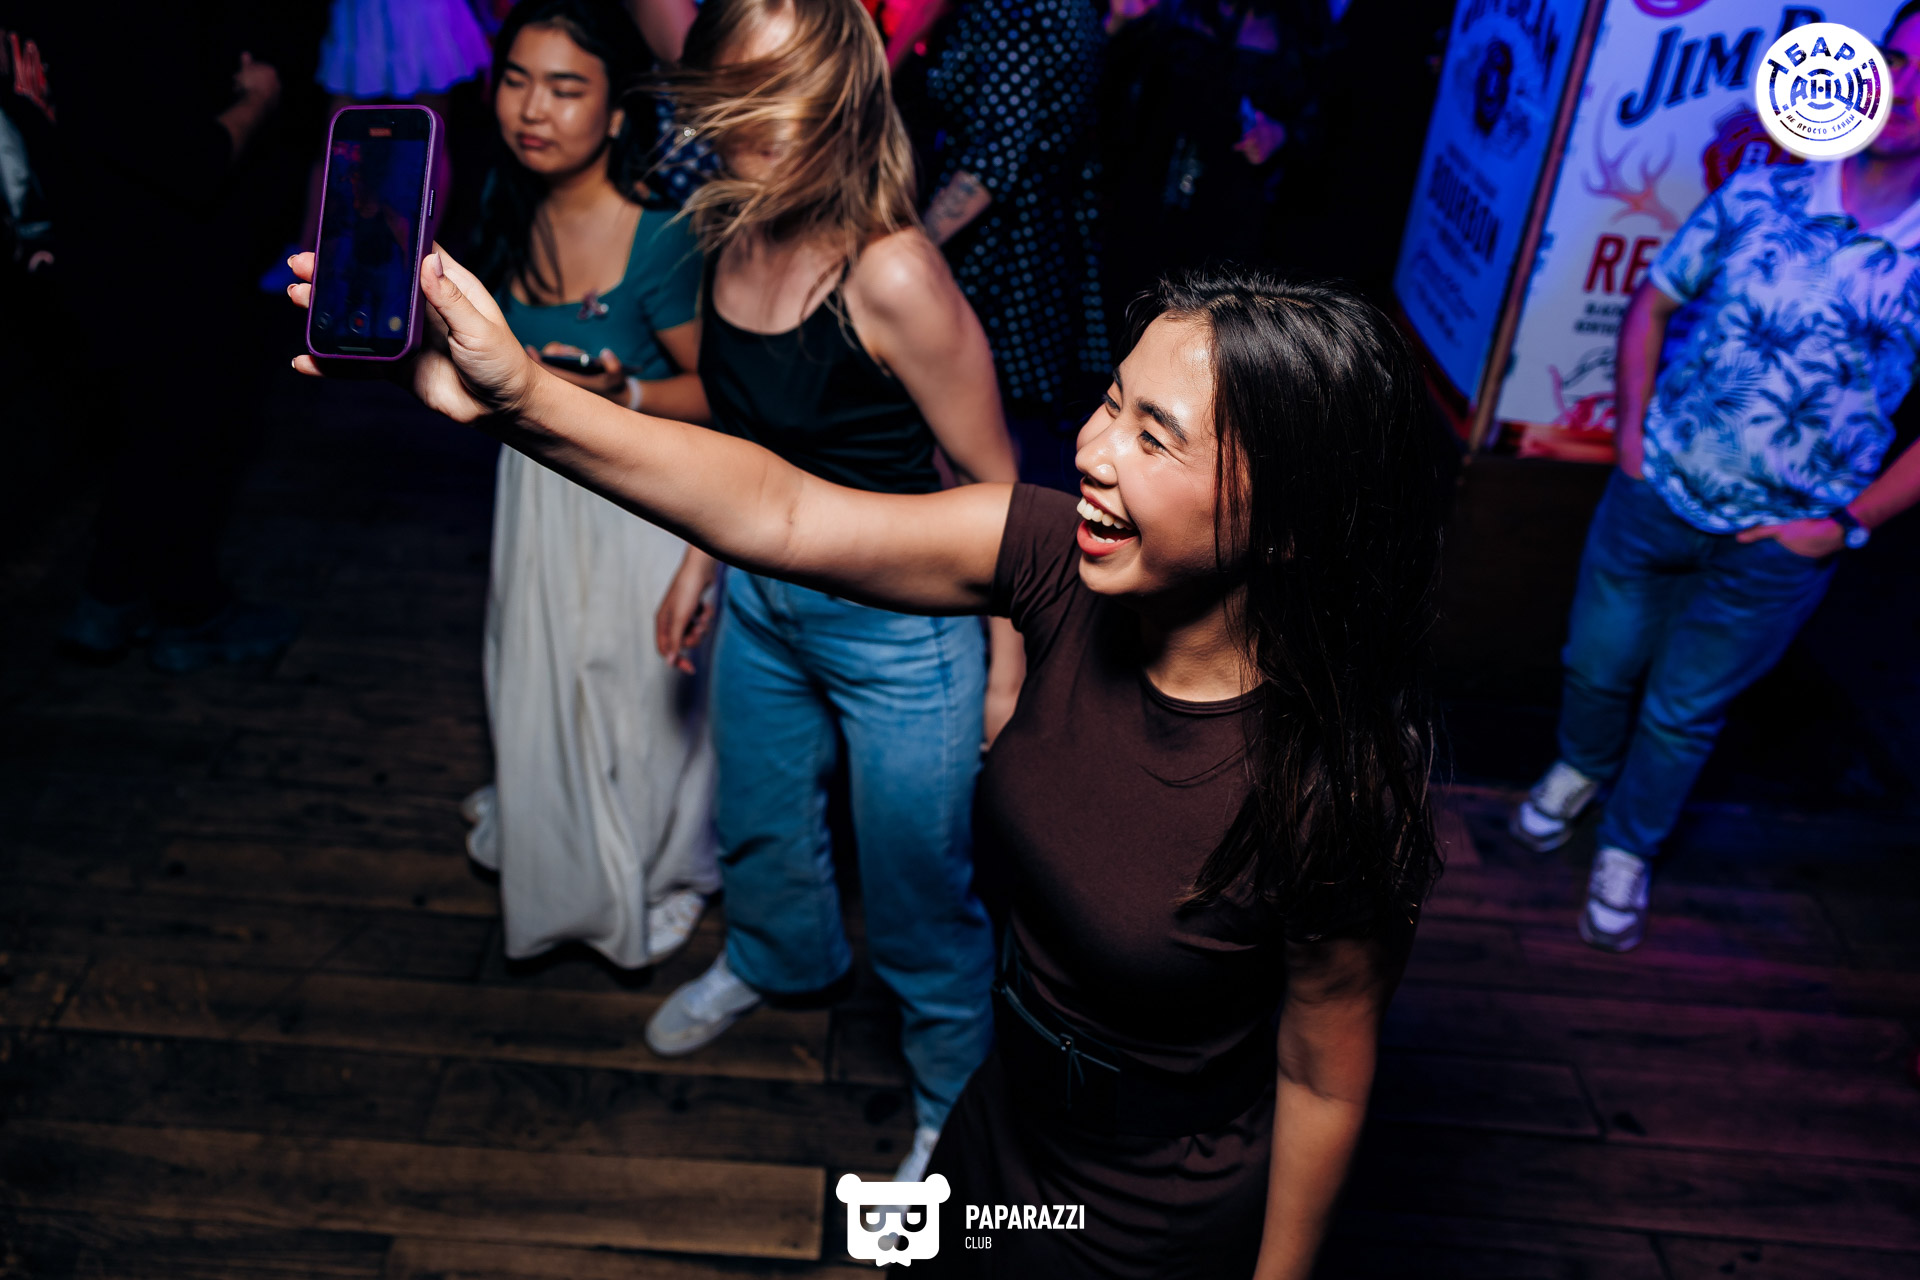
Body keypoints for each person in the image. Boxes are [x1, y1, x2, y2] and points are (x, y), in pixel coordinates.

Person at [284, 248, 1443, 1278]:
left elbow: (1322, 1078)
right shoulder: (1056, 562)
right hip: (999, 1122)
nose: (1092, 451)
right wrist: (520, 401)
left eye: (1155, 436)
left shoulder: (1329, 789)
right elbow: (786, 516)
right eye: (1110, 401)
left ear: (1284, 522)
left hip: (1152, 1210)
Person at [643, 0, 1023, 1182]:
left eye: (786, 93)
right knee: (758, 819)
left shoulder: (892, 268)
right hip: (765, 604)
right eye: (735, 95)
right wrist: (701, 558)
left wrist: (1008, 667)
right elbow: (746, 427)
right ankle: (777, 958)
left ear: (845, 94)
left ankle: (952, 1103)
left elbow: (998, 485)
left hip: (906, 632)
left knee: (918, 895)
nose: (757, 125)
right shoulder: (730, 221)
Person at [1510, 6, 1920, 953]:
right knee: (1594, 664)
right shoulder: (1766, 190)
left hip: (1783, 543)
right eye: (1897, 59)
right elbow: (1653, 302)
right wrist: (1631, 441)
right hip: (1655, 492)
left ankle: (1629, 845)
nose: (1906, 87)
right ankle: (1580, 768)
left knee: (1683, 713)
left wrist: (1845, 525)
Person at [459, 0, 718, 970]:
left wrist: (626, 392)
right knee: (536, 677)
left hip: (636, 499)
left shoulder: (660, 237)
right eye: (517, 81)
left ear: (614, 114)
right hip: (533, 496)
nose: (534, 110)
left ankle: (659, 870)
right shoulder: (500, 211)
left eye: (567, 89)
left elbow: (725, 395)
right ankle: (554, 837)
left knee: (633, 702)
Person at [47, 4, 300, 671]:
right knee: (188, 431)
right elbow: (194, 162)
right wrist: (257, 98)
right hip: (162, 258)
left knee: (139, 430)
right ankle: (188, 616)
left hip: (83, 249)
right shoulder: (141, 27)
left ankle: (109, 599)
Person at [899, 0, 1111, 434]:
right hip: (1046, 230)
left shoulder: (1015, 10)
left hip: (997, 248)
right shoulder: (1068, 7)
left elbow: (993, 159)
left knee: (957, 418)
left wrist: (912, 245)